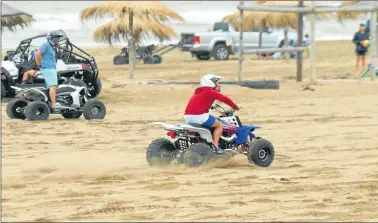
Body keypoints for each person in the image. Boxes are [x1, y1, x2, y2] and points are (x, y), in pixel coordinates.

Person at [184, 74, 240, 154]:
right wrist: (235, 107)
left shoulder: (199, 91)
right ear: (209, 82)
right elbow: (225, 99)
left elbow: (200, 103)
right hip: (200, 116)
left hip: (188, 116)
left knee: (211, 122)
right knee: (220, 125)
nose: (216, 84)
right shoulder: (210, 91)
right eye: (215, 82)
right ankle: (216, 146)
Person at [35, 31, 63, 110]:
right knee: (53, 86)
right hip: (48, 69)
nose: (57, 40)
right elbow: (38, 53)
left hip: (51, 69)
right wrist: (38, 64)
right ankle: (54, 104)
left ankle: (50, 102)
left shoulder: (52, 46)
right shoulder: (46, 45)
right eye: (55, 38)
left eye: (58, 38)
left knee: (52, 86)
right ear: (51, 38)